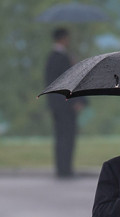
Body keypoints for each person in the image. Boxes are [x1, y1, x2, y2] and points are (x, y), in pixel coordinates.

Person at [44, 27, 85, 178]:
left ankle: (63, 168)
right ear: (62, 38)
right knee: (66, 138)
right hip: (65, 106)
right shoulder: (60, 58)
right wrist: (74, 102)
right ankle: (65, 170)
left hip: (58, 106)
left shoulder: (53, 57)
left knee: (62, 137)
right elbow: (68, 82)